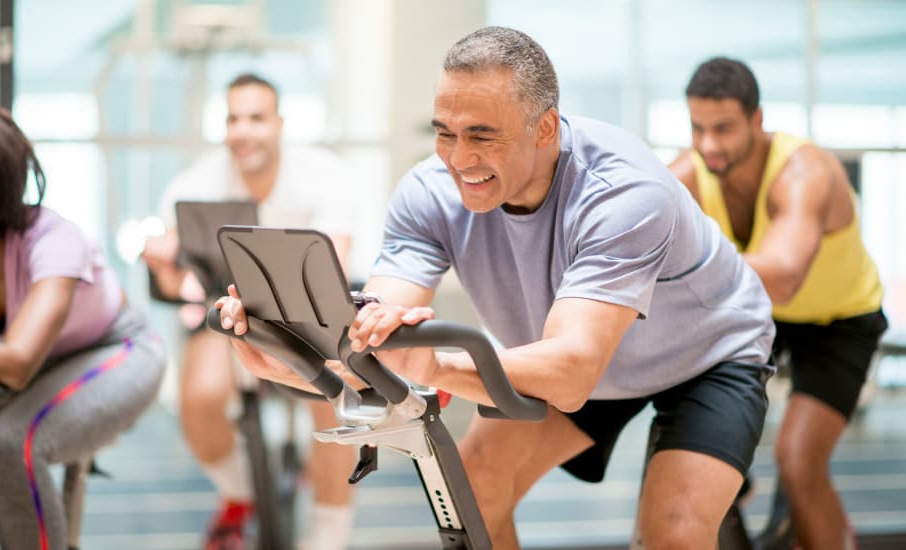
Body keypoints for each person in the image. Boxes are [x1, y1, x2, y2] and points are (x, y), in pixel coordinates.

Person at [216, 27, 777, 549]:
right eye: (445, 133)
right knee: (475, 496)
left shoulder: (623, 193)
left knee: (673, 536)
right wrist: (295, 359)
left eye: (483, 135)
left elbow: (573, 371)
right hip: (570, 356)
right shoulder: (430, 193)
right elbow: (378, 330)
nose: (459, 159)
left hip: (706, 356)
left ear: (546, 128)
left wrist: (436, 369)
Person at [668, 57, 887, 550]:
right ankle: (737, 488)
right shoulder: (688, 173)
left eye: (722, 128)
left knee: (798, 461)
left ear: (757, 120)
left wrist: (685, 264)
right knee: (696, 441)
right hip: (755, 316)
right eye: (697, 128)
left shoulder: (805, 172)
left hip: (841, 320)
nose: (708, 145)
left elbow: (784, 277)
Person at [142, 73, 357, 550]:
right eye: (233, 119)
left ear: (279, 123)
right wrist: (162, 266)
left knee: (333, 402)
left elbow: (335, 263)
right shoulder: (191, 184)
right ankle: (239, 496)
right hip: (225, 313)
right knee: (198, 398)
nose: (243, 131)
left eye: (256, 118)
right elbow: (178, 285)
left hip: (307, 312)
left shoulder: (324, 174)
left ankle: (329, 535)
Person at [0, 107, 166, 549]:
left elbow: (15, 363)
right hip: (45, 365)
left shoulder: (52, 238)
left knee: (12, 442)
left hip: (121, 349)